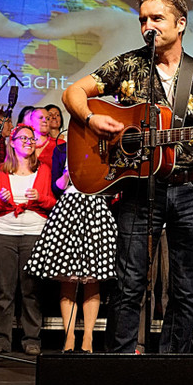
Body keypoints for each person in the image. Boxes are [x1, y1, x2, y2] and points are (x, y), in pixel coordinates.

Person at [62, 0, 193, 354]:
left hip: (190, 188)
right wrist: (91, 119)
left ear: (181, 23)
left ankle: (172, 365)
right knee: (129, 283)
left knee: (185, 285)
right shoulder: (128, 64)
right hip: (139, 187)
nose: (148, 26)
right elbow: (72, 92)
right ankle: (121, 363)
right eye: (143, 19)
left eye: (157, 18)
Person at [26, 136, 117, 353]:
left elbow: (112, 182)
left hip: (96, 207)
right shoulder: (61, 150)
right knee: (67, 278)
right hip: (68, 208)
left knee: (93, 278)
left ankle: (88, 337)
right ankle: (69, 336)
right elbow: (56, 187)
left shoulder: (105, 147)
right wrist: (69, 173)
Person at [0, 124, 56, 355]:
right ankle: (2, 339)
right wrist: (1, 199)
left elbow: (52, 203)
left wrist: (40, 198)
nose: (29, 142)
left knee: (31, 290)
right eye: (23, 138)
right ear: (12, 142)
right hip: (4, 234)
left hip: (34, 233)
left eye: (32, 139)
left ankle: (31, 339)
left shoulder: (44, 170)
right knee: (4, 290)